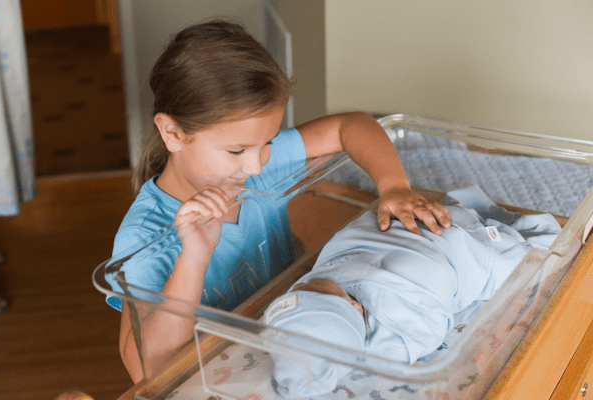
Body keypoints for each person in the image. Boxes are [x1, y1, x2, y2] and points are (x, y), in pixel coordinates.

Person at [106, 20, 452, 382]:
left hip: (292, 335)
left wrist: (394, 186)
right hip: (221, 374)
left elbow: (350, 125)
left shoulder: (255, 166)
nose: (255, 165)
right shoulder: (144, 234)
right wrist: (194, 256)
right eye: (237, 150)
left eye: (268, 142)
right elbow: (149, 368)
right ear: (173, 133)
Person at [264, 186, 562, 399]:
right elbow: (429, 331)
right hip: (454, 247)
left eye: (298, 287)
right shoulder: (396, 335)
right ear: (353, 307)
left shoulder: (317, 294)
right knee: (524, 266)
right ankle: (537, 234)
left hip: (393, 227)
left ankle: (484, 219)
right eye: (310, 286)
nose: (302, 283)